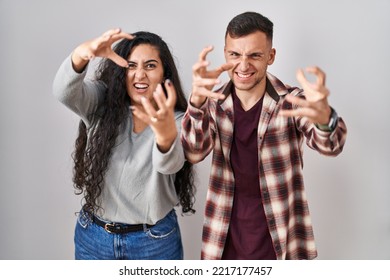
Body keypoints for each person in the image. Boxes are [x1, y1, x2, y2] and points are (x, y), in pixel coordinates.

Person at [181, 11, 347, 260]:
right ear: (225, 53)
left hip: (281, 240)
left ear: (271, 56)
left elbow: (330, 146)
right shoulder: (212, 103)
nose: (243, 66)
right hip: (224, 240)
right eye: (235, 55)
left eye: (254, 55)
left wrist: (325, 119)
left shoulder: (292, 101)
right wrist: (195, 103)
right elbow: (193, 153)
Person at [53, 28, 195, 260]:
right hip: (94, 238)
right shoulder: (100, 103)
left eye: (150, 66)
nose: (140, 75)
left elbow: (169, 166)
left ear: (163, 73)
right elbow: (63, 92)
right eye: (131, 66)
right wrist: (82, 53)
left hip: (153, 243)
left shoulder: (177, 120)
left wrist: (165, 135)